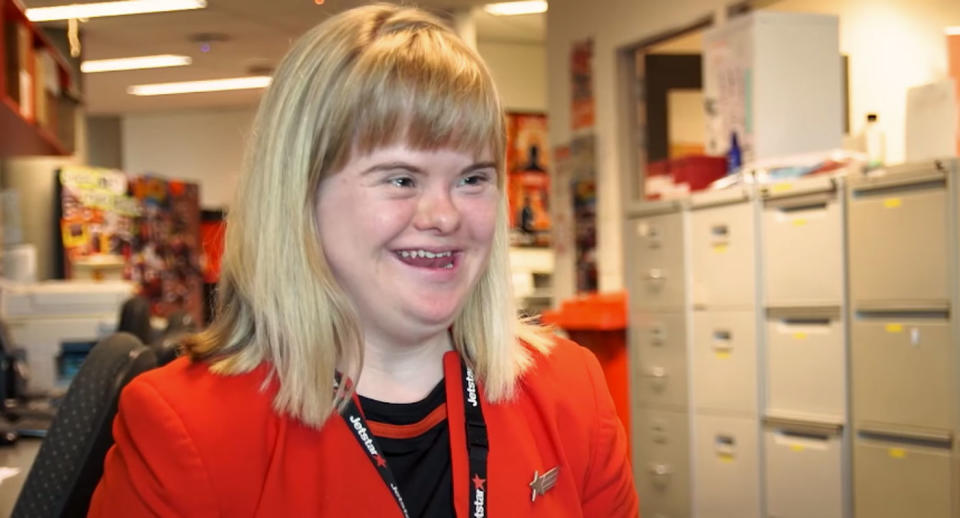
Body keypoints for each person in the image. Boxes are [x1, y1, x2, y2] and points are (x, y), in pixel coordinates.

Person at [88, 4, 637, 517]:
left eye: (473, 179)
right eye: (401, 178)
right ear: (300, 195)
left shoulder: (571, 392)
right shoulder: (185, 425)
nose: (444, 216)